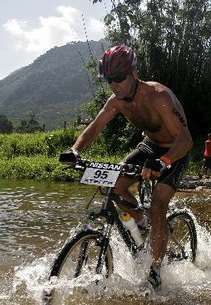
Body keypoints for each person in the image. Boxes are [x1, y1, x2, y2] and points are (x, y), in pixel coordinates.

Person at [58, 45, 193, 291]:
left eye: (119, 78)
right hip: (150, 146)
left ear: (134, 72)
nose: (114, 85)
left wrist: (163, 162)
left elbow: (185, 140)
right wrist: (75, 150)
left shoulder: (158, 96)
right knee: (115, 183)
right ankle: (141, 222)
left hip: (175, 150)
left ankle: (155, 267)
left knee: (159, 203)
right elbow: (95, 126)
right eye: (109, 80)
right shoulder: (116, 101)